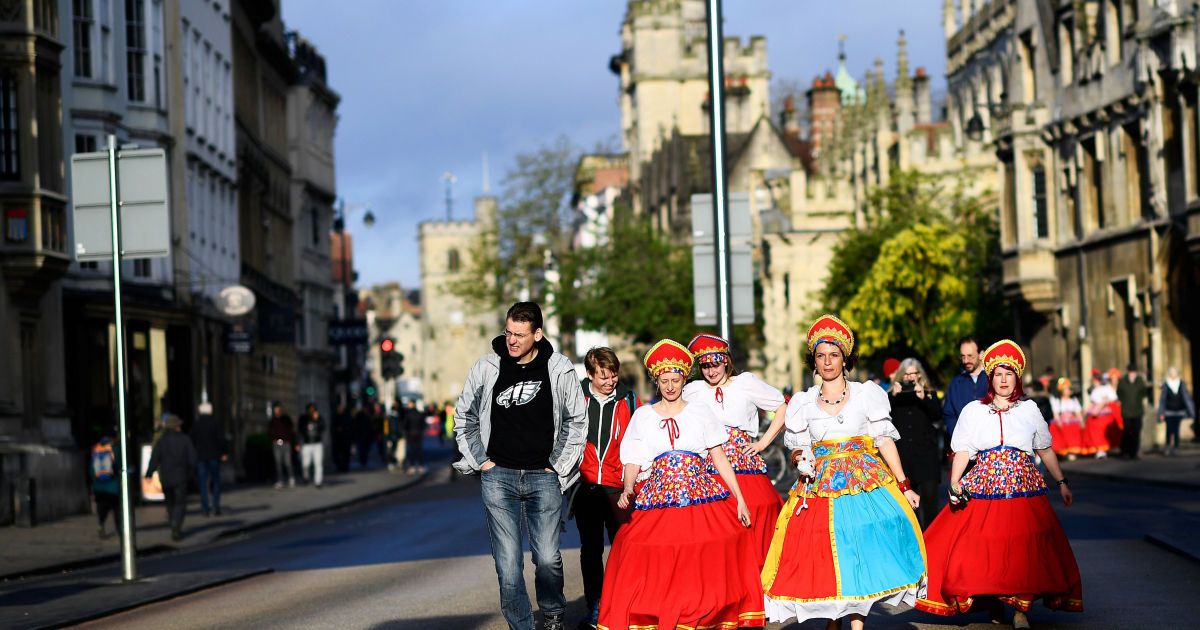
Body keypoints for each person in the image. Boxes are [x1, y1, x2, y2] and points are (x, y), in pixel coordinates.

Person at [762, 315, 926, 629]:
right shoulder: (804, 402)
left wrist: (904, 485)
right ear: (814, 360)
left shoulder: (867, 394)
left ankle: (854, 623)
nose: (827, 362)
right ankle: (834, 618)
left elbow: (885, 441)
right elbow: (797, 446)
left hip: (863, 483)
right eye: (821, 356)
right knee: (825, 550)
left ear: (845, 359)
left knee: (857, 550)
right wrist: (801, 459)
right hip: (819, 485)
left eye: (834, 355)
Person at [598, 339, 764, 630]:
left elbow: (719, 457)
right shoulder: (644, 416)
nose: (671, 386)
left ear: (684, 379)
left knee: (710, 546)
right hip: (658, 495)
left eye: (676, 380)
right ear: (657, 381)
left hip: (699, 493)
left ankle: (703, 612)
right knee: (638, 546)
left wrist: (739, 497)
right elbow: (634, 459)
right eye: (665, 380)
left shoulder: (700, 412)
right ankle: (654, 612)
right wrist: (627, 488)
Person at [916, 340, 1082, 628]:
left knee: (1023, 549)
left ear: (1017, 377)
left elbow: (1044, 449)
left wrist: (1062, 482)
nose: (1004, 380)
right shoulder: (973, 411)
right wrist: (955, 482)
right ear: (990, 378)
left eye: (1009, 374)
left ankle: (1020, 610)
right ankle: (994, 602)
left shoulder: (1029, 409)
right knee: (986, 549)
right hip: (985, 487)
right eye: (998, 374)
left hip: (1023, 487)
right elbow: (963, 450)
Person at [453, 302, 587, 630]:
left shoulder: (559, 368)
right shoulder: (486, 367)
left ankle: (553, 611)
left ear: (537, 334)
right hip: (499, 477)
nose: (512, 340)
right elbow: (464, 415)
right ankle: (522, 626)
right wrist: (480, 461)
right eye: (508, 332)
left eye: (520, 335)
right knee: (508, 565)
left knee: (547, 560)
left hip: (544, 476)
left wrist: (557, 466)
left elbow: (575, 419)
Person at [682, 333, 786, 566]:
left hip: (743, 461)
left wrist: (762, 443)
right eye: (705, 366)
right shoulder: (694, 390)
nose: (711, 371)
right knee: (714, 520)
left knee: (758, 511)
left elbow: (781, 407)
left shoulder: (745, 383)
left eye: (715, 364)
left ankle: (758, 576)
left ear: (726, 360)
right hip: (709, 463)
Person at [572, 346, 639, 630]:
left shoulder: (628, 399)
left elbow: (636, 441)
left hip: (617, 486)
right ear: (590, 374)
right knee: (590, 549)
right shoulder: (575, 397)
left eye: (613, 375)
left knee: (624, 547)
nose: (610, 381)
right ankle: (596, 606)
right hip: (585, 485)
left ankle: (625, 604)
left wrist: (631, 484)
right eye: (603, 376)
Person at [887, 357, 943, 529]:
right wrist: (893, 396)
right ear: (901, 376)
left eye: (914, 374)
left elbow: (938, 416)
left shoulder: (929, 393)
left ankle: (933, 544)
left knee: (931, 506)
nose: (910, 378)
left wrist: (923, 397)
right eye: (907, 374)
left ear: (920, 375)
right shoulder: (892, 396)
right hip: (905, 458)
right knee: (911, 510)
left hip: (926, 458)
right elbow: (883, 419)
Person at [145, 414, 197, 542]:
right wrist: (190, 474)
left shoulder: (161, 441)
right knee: (180, 503)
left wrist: (149, 473)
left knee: (170, 502)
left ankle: (173, 523)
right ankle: (176, 526)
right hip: (181, 477)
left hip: (166, 477)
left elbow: (154, 458)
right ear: (177, 427)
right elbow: (193, 459)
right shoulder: (185, 440)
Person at [943, 336, 989, 446]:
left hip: (990, 449)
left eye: (970, 356)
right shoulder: (956, 383)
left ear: (981, 354)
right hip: (964, 449)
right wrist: (957, 438)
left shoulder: (993, 379)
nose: (966, 361)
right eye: (962, 356)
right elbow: (949, 414)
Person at [189, 412, 227, 516]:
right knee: (215, 481)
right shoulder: (215, 423)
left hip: (201, 457)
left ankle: (205, 508)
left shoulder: (196, 424)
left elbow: (191, 440)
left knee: (203, 483)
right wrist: (224, 452)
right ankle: (215, 506)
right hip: (214, 456)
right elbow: (221, 439)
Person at [90, 431, 122, 538]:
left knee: (102, 508)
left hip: (99, 486)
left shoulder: (97, 448)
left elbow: (91, 469)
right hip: (113, 486)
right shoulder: (115, 448)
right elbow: (120, 464)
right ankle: (119, 528)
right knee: (116, 508)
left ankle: (101, 525)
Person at [1158, 366, 1196, 456]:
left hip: (1179, 411)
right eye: (1171, 373)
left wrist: (1190, 411)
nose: (1173, 375)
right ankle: (1167, 446)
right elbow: (1162, 400)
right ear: (1169, 374)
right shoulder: (1166, 384)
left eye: (1174, 373)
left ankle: (1176, 447)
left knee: (1176, 430)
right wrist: (1161, 413)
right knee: (1169, 429)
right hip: (1168, 411)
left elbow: (1186, 398)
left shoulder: (1181, 383)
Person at [1116, 363, 1150, 459]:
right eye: (1131, 372)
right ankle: (1126, 451)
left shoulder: (1140, 381)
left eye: (1134, 372)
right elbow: (1119, 393)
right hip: (1126, 411)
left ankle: (1134, 453)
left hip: (1137, 411)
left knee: (1136, 432)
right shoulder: (1123, 381)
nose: (1132, 374)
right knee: (1127, 432)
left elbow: (1144, 393)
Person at [1049, 379, 1088, 460]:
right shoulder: (1057, 401)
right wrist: (1059, 422)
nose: (1068, 391)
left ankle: (1073, 451)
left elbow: (1078, 413)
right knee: (1055, 428)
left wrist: (1081, 421)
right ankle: (1062, 452)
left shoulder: (1074, 400)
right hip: (1062, 421)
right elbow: (1056, 414)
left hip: (1072, 421)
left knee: (1075, 428)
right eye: (1066, 389)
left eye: (1069, 389)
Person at [1084, 370, 1120, 458]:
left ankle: (1103, 449)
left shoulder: (1106, 389)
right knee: (1095, 431)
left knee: (1102, 430)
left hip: (1104, 413)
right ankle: (1099, 449)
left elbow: (1111, 399)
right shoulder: (1096, 390)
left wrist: (1100, 406)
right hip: (1096, 412)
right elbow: (1092, 403)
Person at [269, 402, 297, 488]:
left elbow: (291, 431)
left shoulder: (286, 419)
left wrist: (292, 442)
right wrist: (273, 439)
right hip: (276, 444)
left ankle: (291, 478)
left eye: (278, 409)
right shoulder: (272, 420)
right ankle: (280, 480)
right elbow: (270, 432)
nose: (277, 411)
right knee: (278, 463)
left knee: (287, 462)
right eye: (276, 409)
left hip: (286, 443)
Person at [299, 403, 326, 487]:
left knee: (318, 463)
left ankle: (318, 481)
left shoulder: (319, 417)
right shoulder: (303, 418)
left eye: (313, 409)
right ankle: (306, 477)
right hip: (307, 444)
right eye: (310, 409)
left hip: (317, 443)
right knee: (305, 463)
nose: (312, 411)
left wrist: (316, 420)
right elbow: (300, 429)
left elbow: (323, 427)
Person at [403, 399, 426, 473]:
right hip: (419, 434)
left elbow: (405, 425)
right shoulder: (419, 413)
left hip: (411, 434)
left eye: (409, 404)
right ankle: (420, 466)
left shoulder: (408, 414)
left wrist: (406, 433)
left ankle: (412, 466)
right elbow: (423, 424)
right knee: (419, 450)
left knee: (412, 450)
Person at [331, 402, 353, 473]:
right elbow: (332, 427)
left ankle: (345, 467)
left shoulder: (347, 416)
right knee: (337, 454)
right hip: (337, 439)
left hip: (346, 439)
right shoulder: (335, 416)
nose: (340, 410)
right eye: (339, 408)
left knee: (346, 454)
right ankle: (340, 466)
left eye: (341, 408)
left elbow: (351, 427)